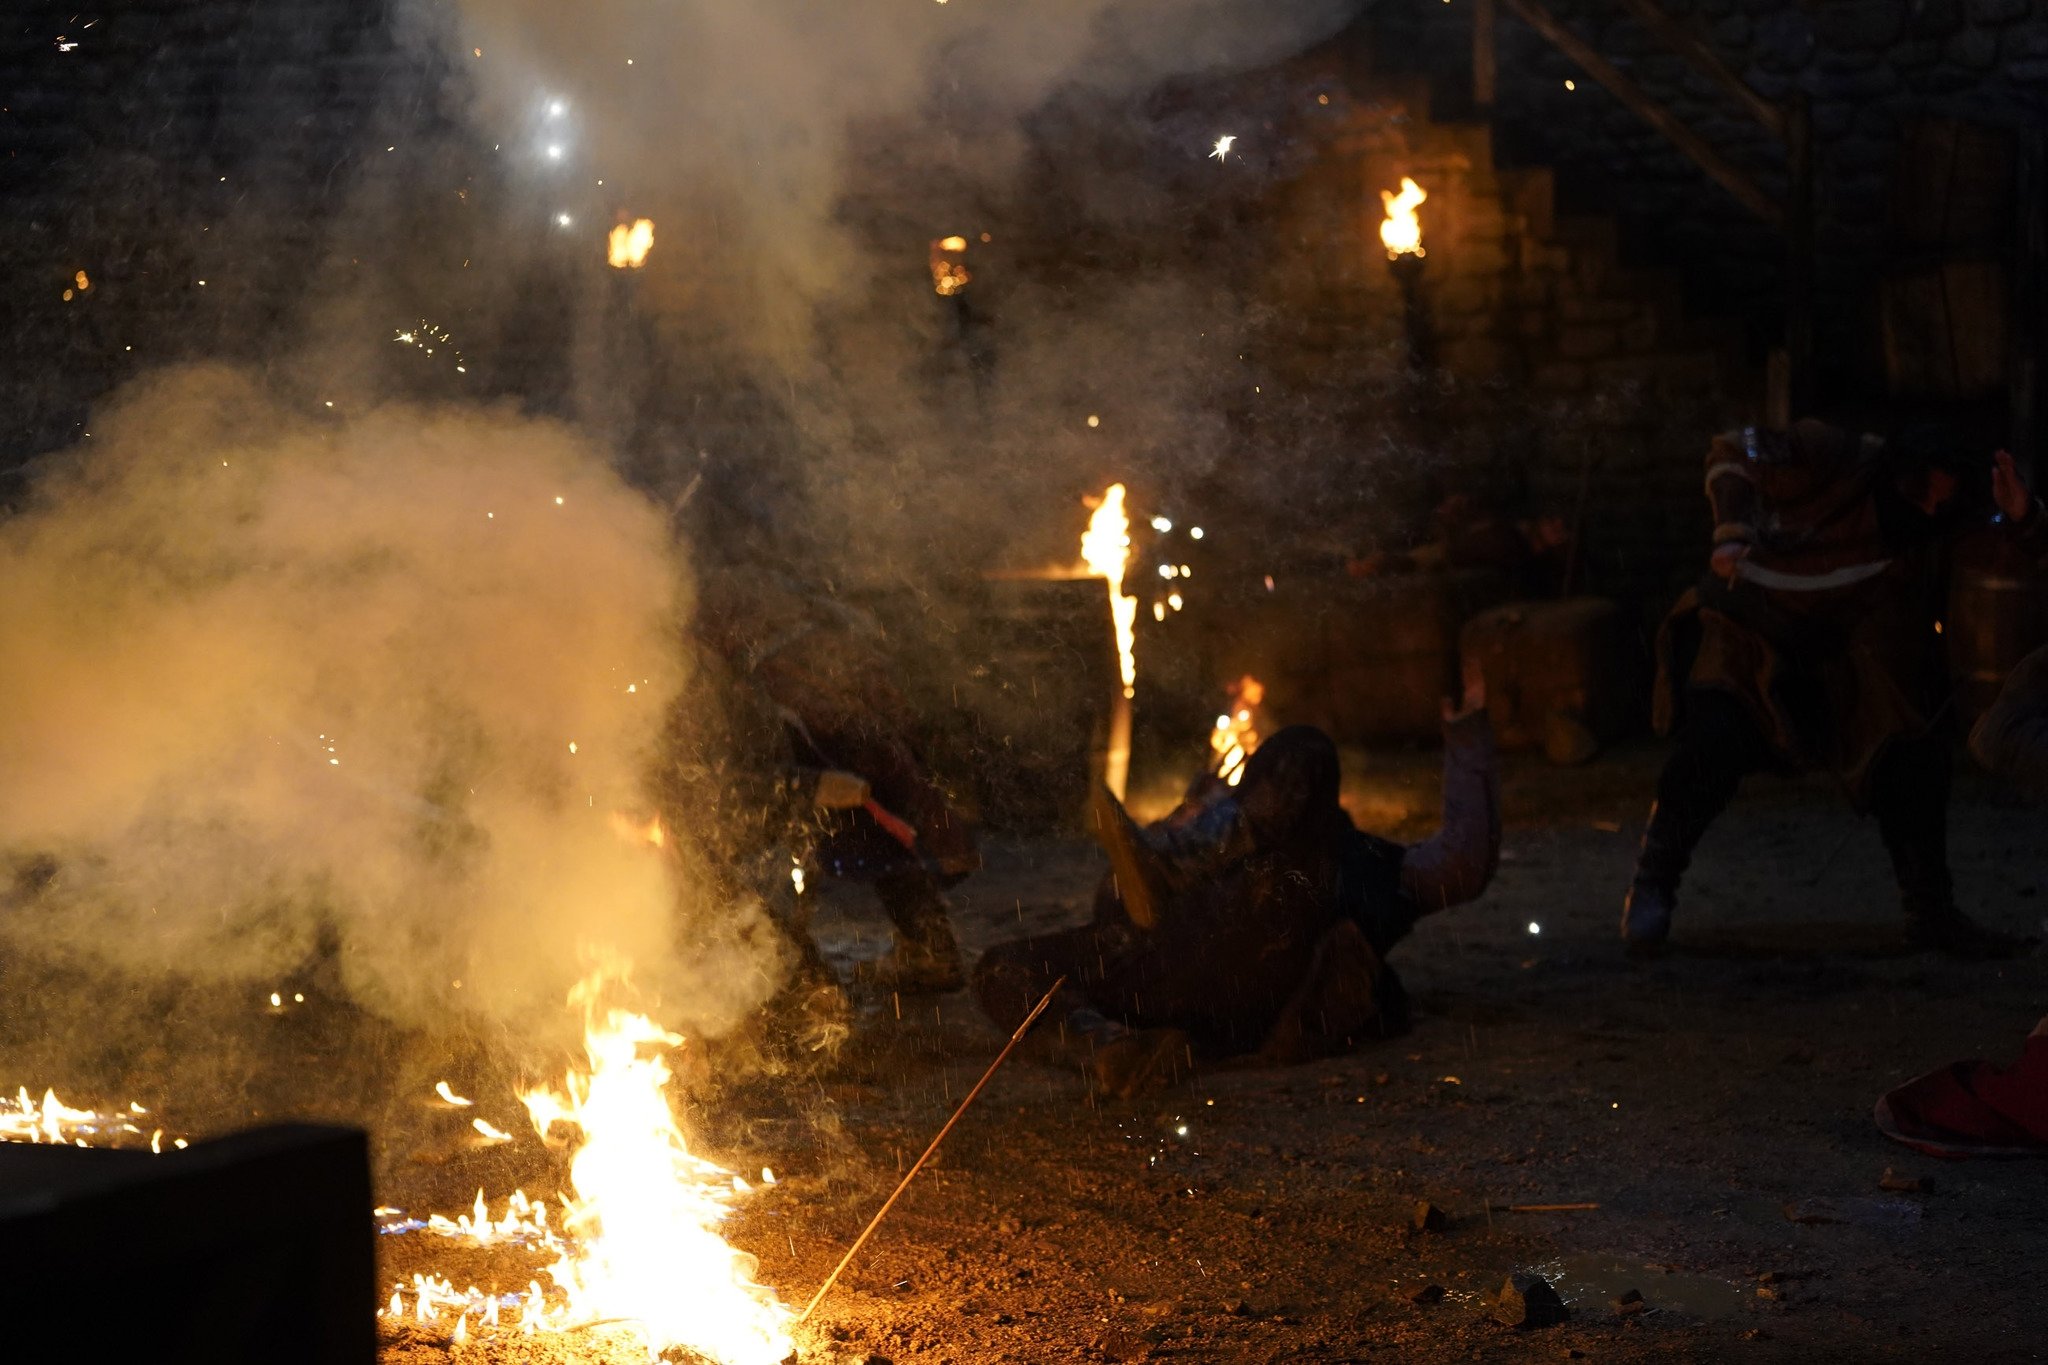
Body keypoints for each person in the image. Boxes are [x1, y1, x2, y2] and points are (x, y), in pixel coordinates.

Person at [972, 672, 1497, 1096]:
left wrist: (1186, 825)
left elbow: (1114, 904)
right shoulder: (1362, 863)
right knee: (1021, 960)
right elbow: (1463, 864)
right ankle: (1115, 1045)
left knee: (1004, 968)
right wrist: (1468, 737)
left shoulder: (1316, 857)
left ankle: (1106, 1042)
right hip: (1226, 1008)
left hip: (1190, 975)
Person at [1623, 421, 2037, 957]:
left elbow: (2007, 556)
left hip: (1841, 654)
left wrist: (2024, 517)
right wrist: (1731, 529)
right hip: (1747, 634)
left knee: (1909, 750)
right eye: (1920, 494)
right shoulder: (1833, 454)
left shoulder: (1937, 523)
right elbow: (1733, 448)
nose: (1930, 509)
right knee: (1711, 744)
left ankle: (1930, 912)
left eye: (1942, 502)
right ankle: (1653, 884)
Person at [692, 563, 979, 995]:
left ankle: (919, 953)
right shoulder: (750, 656)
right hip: (822, 770)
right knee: (870, 831)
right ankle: (818, 966)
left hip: (850, 770)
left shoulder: (790, 661)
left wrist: (818, 782)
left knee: (881, 831)